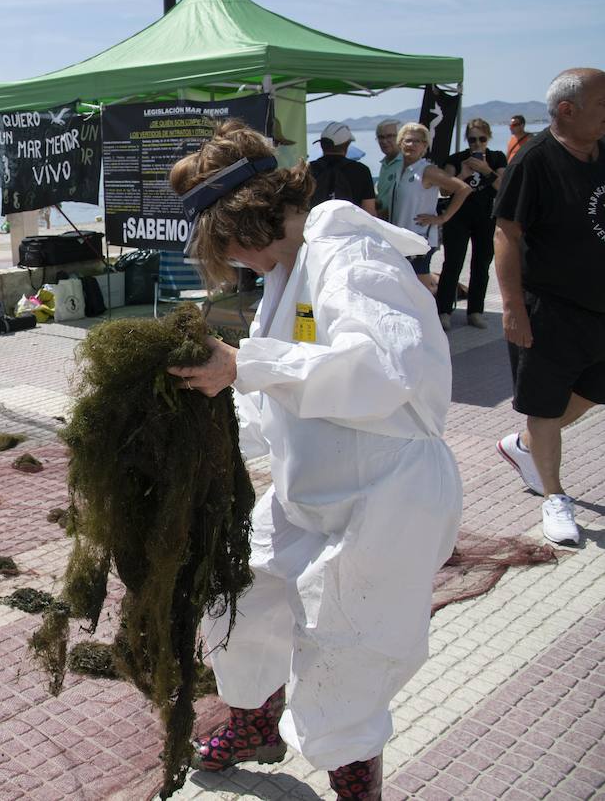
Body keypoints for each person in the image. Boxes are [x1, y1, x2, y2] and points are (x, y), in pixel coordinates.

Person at [167, 121, 461, 801]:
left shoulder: (349, 256)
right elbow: (281, 402)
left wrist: (243, 363)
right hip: (312, 491)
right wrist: (206, 443)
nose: (233, 261)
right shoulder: (288, 270)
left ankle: (355, 781)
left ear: (243, 220)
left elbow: (383, 372)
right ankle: (253, 721)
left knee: (345, 647)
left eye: (225, 244)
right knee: (235, 585)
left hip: (385, 498)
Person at [492, 67, 605, 547]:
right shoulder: (534, 161)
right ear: (567, 110)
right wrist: (513, 307)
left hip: (599, 306)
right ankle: (554, 497)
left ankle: (524, 448)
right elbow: (506, 234)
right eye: (603, 106)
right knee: (542, 403)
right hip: (549, 307)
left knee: (596, 390)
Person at [435, 118, 507, 330]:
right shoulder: (456, 159)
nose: (476, 144)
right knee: (452, 264)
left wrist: (486, 170)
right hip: (458, 217)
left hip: (485, 216)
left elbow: (503, 187)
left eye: (481, 139)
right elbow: (445, 190)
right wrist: (462, 174)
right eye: (472, 139)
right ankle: (444, 311)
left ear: (488, 138)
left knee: (481, 264)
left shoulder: (496, 158)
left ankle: (475, 311)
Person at [388, 123, 473, 294]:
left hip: (419, 238)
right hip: (400, 238)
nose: (412, 145)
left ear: (425, 146)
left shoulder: (427, 170)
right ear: (400, 143)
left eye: (418, 142)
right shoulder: (399, 169)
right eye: (408, 140)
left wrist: (443, 218)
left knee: (421, 289)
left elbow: (463, 189)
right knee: (406, 286)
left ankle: (432, 317)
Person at [308, 122, 377, 215]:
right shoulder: (361, 171)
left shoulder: (308, 170)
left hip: (316, 227)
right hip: (351, 228)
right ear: (347, 145)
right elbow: (369, 211)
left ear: (322, 145)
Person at [373, 118, 402, 221]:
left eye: (390, 136)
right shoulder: (385, 163)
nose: (384, 141)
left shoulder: (407, 163)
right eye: (380, 137)